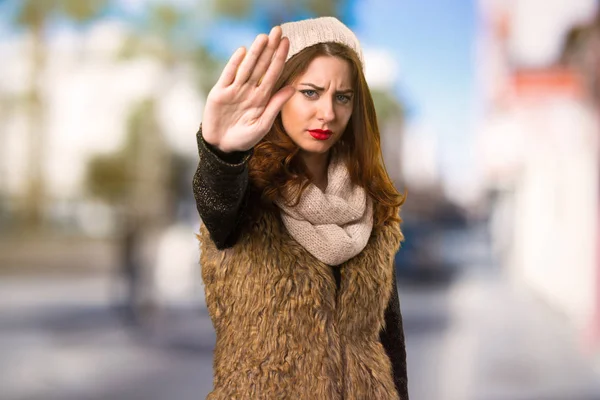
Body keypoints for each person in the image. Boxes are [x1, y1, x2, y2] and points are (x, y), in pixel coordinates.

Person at [193, 16, 408, 399]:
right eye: (310, 92)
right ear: (277, 92)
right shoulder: (246, 191)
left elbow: (390, 342)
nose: (327, 112)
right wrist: (220, 151)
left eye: (342, 96)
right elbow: (216, 203)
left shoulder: (371, 203)